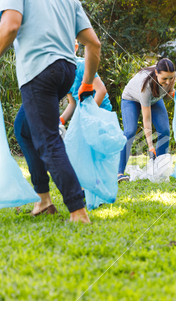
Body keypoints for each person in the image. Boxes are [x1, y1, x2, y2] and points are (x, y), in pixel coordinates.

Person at [0, 0, 101, 223]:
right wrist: (87, 83)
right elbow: (93, 43)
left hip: (39, 69)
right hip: (66, 70)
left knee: (47, 140)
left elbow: (10, 26)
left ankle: (78, 211)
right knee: (24, 128)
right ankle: (43, 199)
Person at [117, 58, 176, 182]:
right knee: (130, 131)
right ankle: (119, 173)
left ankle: (159, 170)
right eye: (164, 78)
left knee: (164, 130)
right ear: (156, 73)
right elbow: (147, 119)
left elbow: (166, 92)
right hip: (131, 99)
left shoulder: (169, 77)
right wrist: (150, 146)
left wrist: (172, 94)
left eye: (171, 78)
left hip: (153, 99)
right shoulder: (147, 86)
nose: (168, 81)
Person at [60, 40, 112, 128]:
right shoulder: (65, 75)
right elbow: (72, 104)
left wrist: (89, 115)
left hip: (101, 113)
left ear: (75, 48)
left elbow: (101, 91)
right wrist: (60, 121)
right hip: (86, 116)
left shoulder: (83, 66)